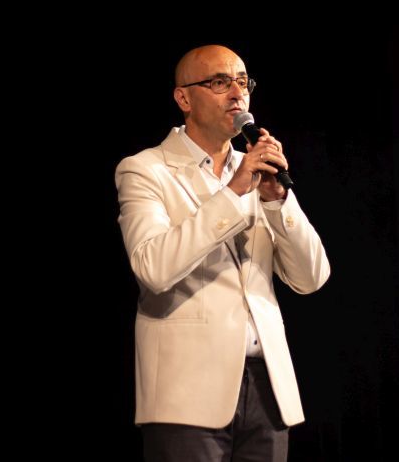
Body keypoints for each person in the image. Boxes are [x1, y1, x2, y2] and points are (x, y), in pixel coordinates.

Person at [115, 44, 331, 461]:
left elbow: (311, 277)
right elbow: (153, 267)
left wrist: (277, 200)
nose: (236, 94)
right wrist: (233, 194)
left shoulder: (257, 171)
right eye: (219, 82)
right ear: (183, 98)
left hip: (268, 391)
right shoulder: (146, 170)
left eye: (243, 83)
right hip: (187, 392)